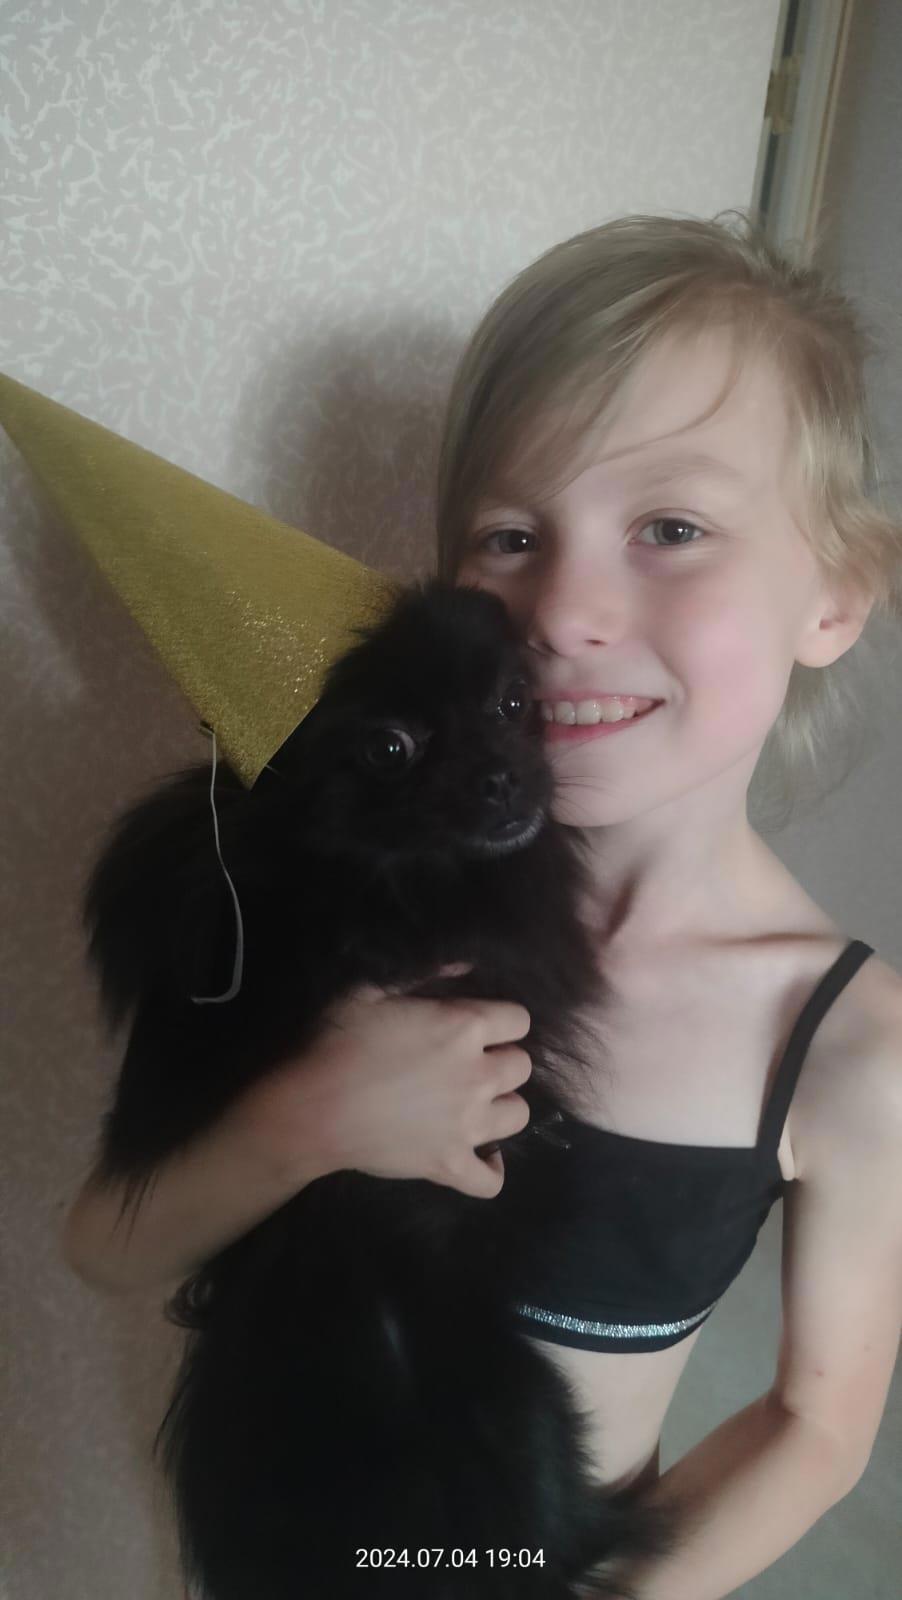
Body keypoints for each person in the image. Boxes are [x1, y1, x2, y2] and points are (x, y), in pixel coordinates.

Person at [62, 213, 902, 1600]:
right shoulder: (341, 909)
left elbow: (817, 1429)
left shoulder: (848, 1045)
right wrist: (310, 1115)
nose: (560, 610)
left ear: (835, 595)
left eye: (671, 528)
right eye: (511, 537)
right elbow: (108, 1242)